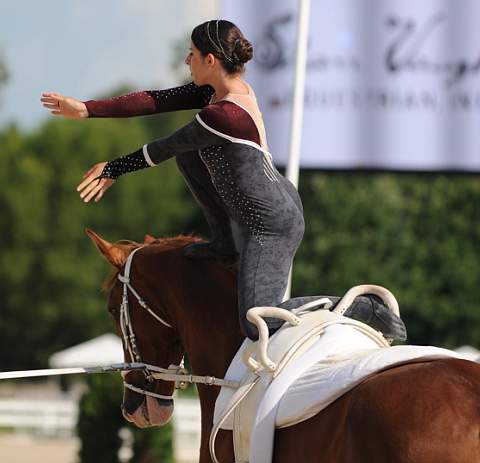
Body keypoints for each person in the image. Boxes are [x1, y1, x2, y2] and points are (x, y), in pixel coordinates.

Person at [41, 19, 406, 342]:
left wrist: (113, 168)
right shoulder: (214, 93)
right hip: (265, 206)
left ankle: (359, 308)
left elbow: (166, 146)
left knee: (257, 321)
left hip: (272, 225)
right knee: (190, 155)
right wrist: (87, 109)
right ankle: (224, 243)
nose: (187, 62)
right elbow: (155, 100)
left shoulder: (225, 114)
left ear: (210, 60)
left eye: (191, 54)